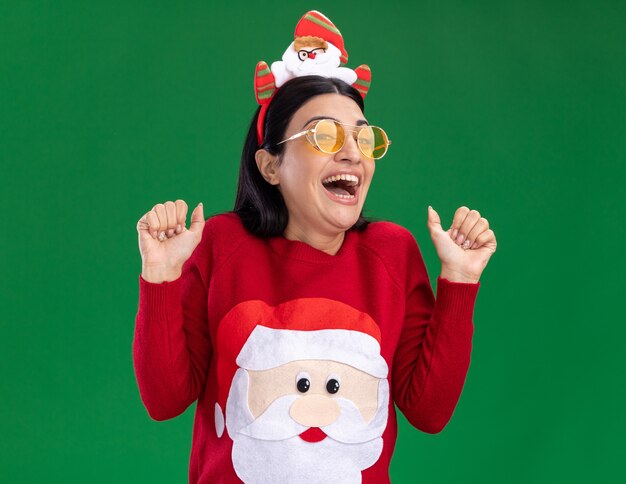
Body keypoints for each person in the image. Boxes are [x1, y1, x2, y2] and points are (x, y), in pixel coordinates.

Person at [133, 11, 497, 484]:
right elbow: (163, 402)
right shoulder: (220, 245)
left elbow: (429, 412)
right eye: (325, 135)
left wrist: (461, 281)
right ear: (269, 165)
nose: (351, 153)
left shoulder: (392, 253)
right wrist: (159, 274)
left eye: (363, 137)